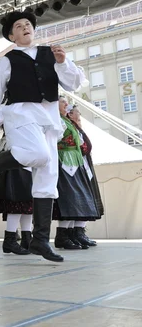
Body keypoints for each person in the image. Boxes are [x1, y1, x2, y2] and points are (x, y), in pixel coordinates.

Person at [0, 10, 85, 262]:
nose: (25, 28)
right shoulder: (7, 61)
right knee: (37, 154)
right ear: (12, 35)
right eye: (19, 26)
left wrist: (63, 62)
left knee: (48, 178)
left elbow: (73, 84)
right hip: (20, 115)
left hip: (49, 117)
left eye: (28, 24)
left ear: (34, 30)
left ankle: (41, 240)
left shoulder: (50, 55)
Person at [52, 98, 100, 250]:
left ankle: (71, 234)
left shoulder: (65, 121)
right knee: (69, 199)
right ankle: (63, 235)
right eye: (63, 102)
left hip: (73, 162)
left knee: (75, 198)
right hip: (65, 162)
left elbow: (81, 143)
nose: (66, 105)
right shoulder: (55, 120)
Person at [66, 104, 102, 247]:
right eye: (76, 112)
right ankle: (73, 233)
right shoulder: (69, 126)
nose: (79, 114)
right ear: (70, 114)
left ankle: (79, 231)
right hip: (74, 163)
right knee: (80, 196)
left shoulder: (76, 126)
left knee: (88, 195)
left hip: (84, 161)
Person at [0, 133, 33, 255]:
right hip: (14, 167)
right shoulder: (12, 134)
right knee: (16, 204)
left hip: (25, 166)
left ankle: (27, 239)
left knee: (28, 205)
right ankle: (10, 240)